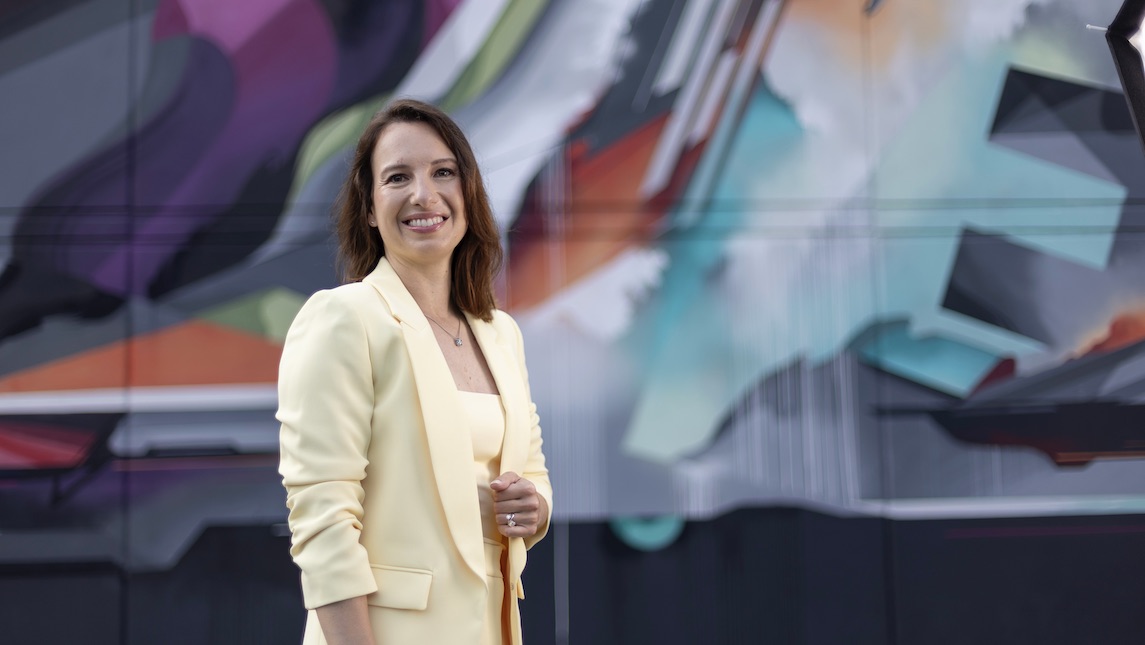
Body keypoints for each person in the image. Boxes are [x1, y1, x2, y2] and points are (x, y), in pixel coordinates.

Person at [277, 98, 552, 645]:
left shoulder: (500, 333)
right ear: (371, 208)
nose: (423, 194)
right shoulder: (344, 318)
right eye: (398, 177)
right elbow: (323, 524)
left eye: (442, 172)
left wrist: (534, 508)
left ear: (467, 194)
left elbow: (534, 477)